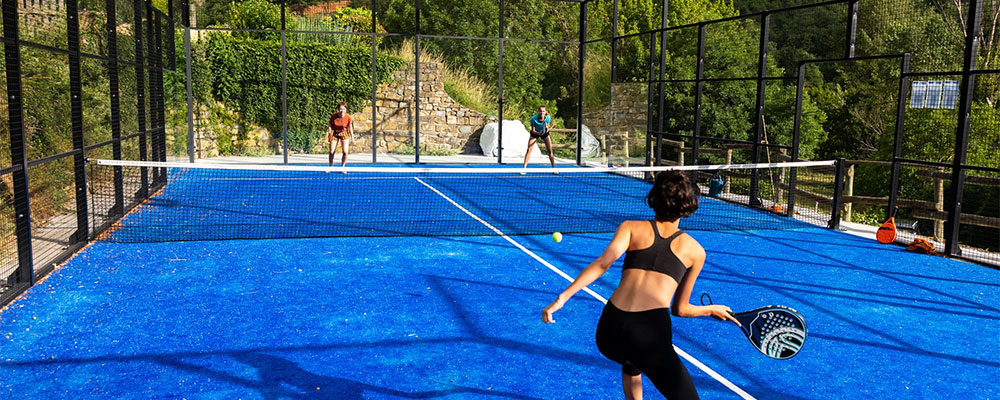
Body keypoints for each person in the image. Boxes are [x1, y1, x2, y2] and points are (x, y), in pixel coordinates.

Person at [541, 171, 740, 400]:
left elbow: (602, 264)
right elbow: (680, 309)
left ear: (654, 199)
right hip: (648, 333)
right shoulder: (695, 251)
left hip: (609, 332)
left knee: (631, 361)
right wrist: (711, 309)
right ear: (689, 205)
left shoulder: (630, 227)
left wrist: (561, 298)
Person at [522, 106, 556, 170]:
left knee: (550, 150)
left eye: (543, 111)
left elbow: (547, 128)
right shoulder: (533, 119)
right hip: (535, 133)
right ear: (538, 111)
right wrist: (539, 133)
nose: (542, 112)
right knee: (529, 149)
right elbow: (533, 130)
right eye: (540, 111)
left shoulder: (548, 118)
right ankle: (524, 168)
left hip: (544, 133)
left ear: (545, 112)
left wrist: (544, 131)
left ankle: (554, 168)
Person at [328, 102, 353, 168]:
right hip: (334, 134)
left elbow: (350, 128)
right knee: (331, 151)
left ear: (346, 109)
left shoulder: (348, 118)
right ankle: (330, 167)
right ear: (338, 109)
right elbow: (330, 124)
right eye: (340, 109)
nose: (342, 111)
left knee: (345, 152)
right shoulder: (334, 116)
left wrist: (352, 138)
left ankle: (342, 166)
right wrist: (330, 132)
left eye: (344, 109)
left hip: (344, 133)